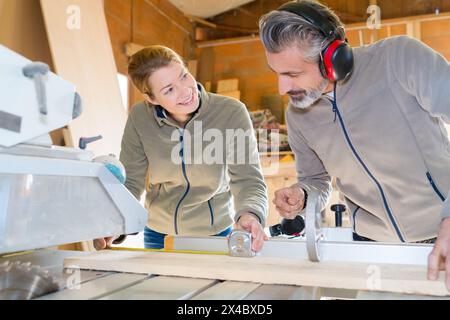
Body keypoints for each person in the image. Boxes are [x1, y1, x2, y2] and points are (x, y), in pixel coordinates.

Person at [259, 0, 450, 289]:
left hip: (440, 237)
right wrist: (303, 194)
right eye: (277, 73)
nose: (281, 89)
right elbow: (316, 180)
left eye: (292, 74)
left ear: (332, 59)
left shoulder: (399, 59)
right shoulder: (297, 114)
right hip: (372, 250)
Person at [94, 45, 268, 251]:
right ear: (151, 98)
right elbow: (131, 181)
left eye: (184, 76)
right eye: (169, 89)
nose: (186, 91)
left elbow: (248, 179)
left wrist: (250, 213)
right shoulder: (140, 117)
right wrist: (117, 222)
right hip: (159, 235)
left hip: (214, 234)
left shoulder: (231, 112)